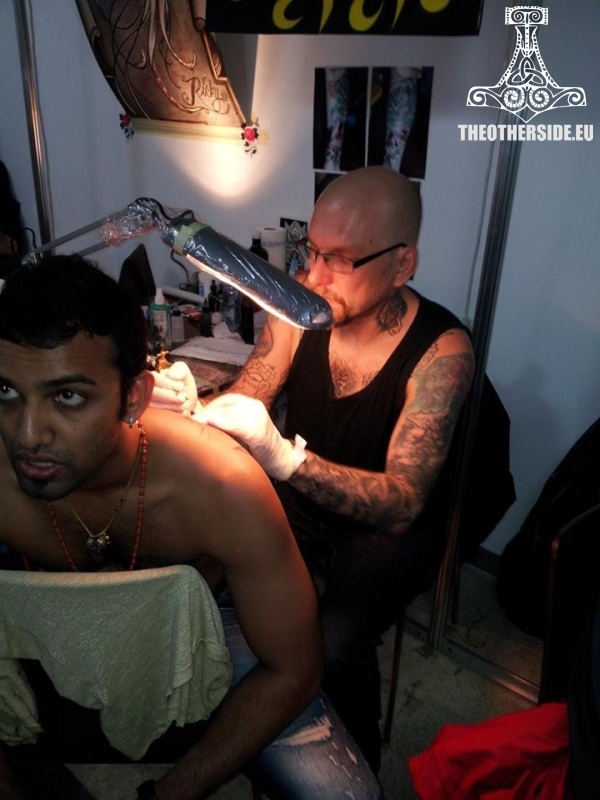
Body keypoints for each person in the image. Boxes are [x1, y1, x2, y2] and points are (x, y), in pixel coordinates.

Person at [0, 255, 382, 800]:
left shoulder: (220, 486)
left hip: (200, 624)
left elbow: (294, 671)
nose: (27, 435)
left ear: (133, 397)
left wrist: (169, 795)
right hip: (53, 624)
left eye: (68, 396)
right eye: (6, 392)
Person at [153, 166, 476, 771]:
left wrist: (283, 456)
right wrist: (193, 409)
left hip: (384, 531)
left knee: (334, 641)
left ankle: (355, 771)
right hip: (297, 499)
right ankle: (227, 721)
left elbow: (402, 503)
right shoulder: (303, 303)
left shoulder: (443, 352)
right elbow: (253, 391)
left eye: (342, 260)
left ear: (402, 264)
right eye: (313, 250)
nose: (316, 276)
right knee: (196, 563)